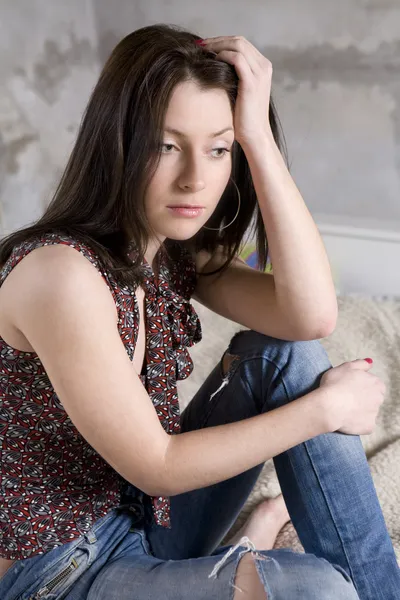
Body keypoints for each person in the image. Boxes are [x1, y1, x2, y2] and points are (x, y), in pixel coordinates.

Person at [0, 23, 398, 600]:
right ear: (118, 145)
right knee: (315, 590)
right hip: (60, 572)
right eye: (166, 146)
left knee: (287, 355)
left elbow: (310, 317)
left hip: (147, 520)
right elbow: (156, 465)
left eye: (218, 148)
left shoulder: (166, 251)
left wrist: (257, 136)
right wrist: (326, 408)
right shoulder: (60, 274)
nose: (196, 178)